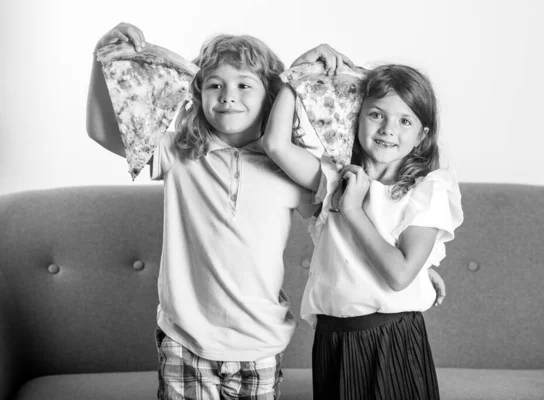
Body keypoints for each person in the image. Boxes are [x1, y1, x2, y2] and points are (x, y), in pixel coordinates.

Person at [87, 22, 448, 399]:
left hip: (261, 342)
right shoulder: (179, 152)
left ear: (271, 96)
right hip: (185, 338)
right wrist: (102, 62)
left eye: (244, 84)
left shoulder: (290, 169)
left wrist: (424, 268)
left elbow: (348, 228)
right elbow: (101, 131)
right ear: (198, 94)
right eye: (215, 85)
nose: (228, 96)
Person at [264, 62, 464, 399]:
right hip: (333, 339)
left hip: (390, 340)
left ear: (421, 136)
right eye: (376, 115)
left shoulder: (427, 191)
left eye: (405, 120)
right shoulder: (333, 178)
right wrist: (294, 76)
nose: (388, 129)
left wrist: (353, 210)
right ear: (357, 117)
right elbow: (275, 145)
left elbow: (399, 275)